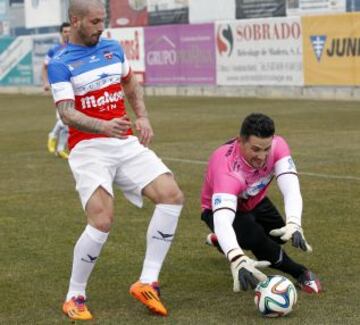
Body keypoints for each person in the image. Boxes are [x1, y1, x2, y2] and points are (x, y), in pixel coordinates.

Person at [47, 0, 184, 320]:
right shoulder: (61, 63)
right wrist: (104, 126)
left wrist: (143, 117)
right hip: (88, 148)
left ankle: (148, 281)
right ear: (75, 20)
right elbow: (66, 113)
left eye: (102, 20)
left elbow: (130, 84)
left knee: (172, 195)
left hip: (124, 143)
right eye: (94, 21)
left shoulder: (113, 49)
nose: (100, 27)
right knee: (102, 218)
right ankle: (74, 295)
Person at [201, 113, 322, 294]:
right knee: (258, 240)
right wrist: (236, 258)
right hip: (218, 211)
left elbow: (291, 189)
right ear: (240, 141)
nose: (262, 156)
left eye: (266, 149)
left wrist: (294, 222)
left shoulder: (278, 146)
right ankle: (300, 273)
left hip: (255, 201)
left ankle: (222, 241)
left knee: (281, 236)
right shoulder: (227, 170)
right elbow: (223, 220)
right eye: (256, 149)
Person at [42, 22, 71, 159]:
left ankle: (60, 149)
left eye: (69, 31)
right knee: (66, 118)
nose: (68, 33)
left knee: (69, 120)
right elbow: (45, 66)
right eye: (65, 31)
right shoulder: (54, 50)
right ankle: (53, 136)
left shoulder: (75, 48)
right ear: (61, 33)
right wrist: (46, 82)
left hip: (73, 87)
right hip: (59, 87)